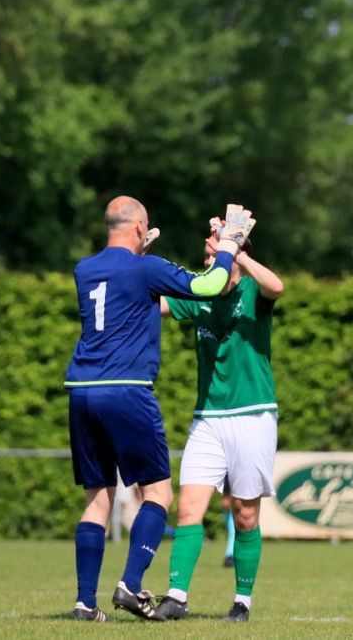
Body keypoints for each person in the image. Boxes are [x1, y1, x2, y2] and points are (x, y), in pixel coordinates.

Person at [64, 197, 254, 622]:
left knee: (98, 499)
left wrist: (138, 250)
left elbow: (123, 287)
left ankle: (83, 603)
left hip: (80, 389)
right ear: (140, 228)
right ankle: (131, 585)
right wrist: (229, 243)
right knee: (159, 494)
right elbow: (208, 285)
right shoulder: (146, 268)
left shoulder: (84, 270)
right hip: (127, 390)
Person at [155, 219, 284, 622]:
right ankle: (176, 596)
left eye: (215, 256)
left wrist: (238, 251)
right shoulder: (198, 297)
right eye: (208, 256)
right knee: (189, 506)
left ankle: (242, 601)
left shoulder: (250, 289)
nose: (210, 262)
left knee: (246, 514)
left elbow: (276, 287)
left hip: (253, 416)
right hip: (208, 418)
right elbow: (154, 304)